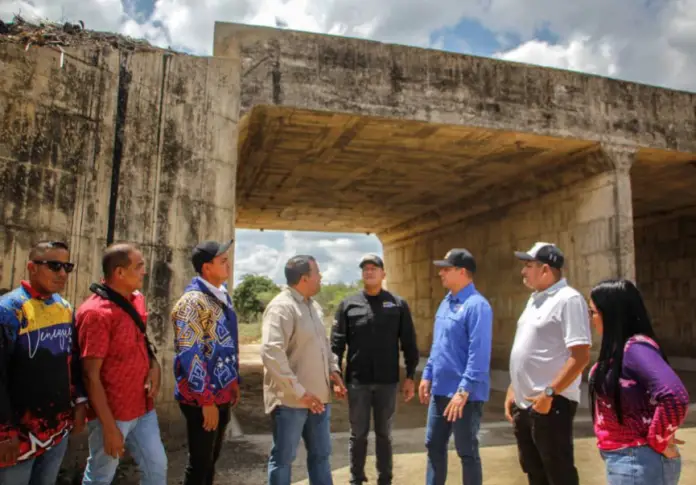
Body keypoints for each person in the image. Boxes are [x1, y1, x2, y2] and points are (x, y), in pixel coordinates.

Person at [76, 243, 167, 485]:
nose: (144, 272)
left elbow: (142, 342)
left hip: (143, 407)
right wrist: (108, 427)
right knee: (100, 476)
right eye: (139, 266)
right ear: (119, 273)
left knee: (157, 469)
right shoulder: (96, 314)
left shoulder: (136, 300)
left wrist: (154, 365)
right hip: (114, 412)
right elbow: (90, 376)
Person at [0, 241, 87, 485]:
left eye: (66, 267)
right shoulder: (9, 310)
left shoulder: (65, 308)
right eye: (54, 266)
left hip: (57, 432)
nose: (62, 274)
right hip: (17, 438)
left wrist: (79, 400)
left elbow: (72, 361)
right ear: (32, 267)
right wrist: (4, 433)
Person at [506, 242, 592, 485]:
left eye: (528, 266)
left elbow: (581, 355)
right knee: (535, 473)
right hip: (526, 405)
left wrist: (549, 393)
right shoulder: (534, 300)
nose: (523, 271)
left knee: (558, 473)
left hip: (552, 404)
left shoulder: (569, 299)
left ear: (545, 269)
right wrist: (514, 388)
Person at [588, 279, 689, 485]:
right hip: (628, 459)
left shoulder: (635, 349)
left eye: (594, 313)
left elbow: (675, 395)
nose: (591, 319)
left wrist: (658, 439)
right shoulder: (620, 350)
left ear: (611, 314)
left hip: (637, 460)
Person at [331, 254, 419, 485]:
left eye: (374, 268)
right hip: (357, 382)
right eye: (365, 269)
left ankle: (385, 478)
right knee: (357, 434)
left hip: (387, 382)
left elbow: (409, 342)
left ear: (383, 274)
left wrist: (410, 376)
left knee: (384, 435)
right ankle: (356, 478)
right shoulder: (348, 305)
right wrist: (336, 376)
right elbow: (336, 344)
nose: (369, 272)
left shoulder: (397, 305)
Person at [261, 255, 347, 485]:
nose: (321, 278)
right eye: (317, 273)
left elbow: (324, 345)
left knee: (321, 457)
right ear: (304, 278)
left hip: (319, 398)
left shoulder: (314, 307)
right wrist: (300, 392)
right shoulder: (281, 308)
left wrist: (334, 372)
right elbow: (272, 353)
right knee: (283, 459)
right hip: (291, 402)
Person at [418, 249, 493, 485]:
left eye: (446, 269)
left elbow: (478, 354)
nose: (441, 273)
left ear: (462, 272)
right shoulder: (446, 303)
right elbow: (438, 344)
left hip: (464, 396)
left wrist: (464, 391)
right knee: (433, 444)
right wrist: (427, 374)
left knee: (466, 450)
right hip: (441, 390)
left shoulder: (477, 306)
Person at [171, 240, 240, 485]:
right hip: (201, 398)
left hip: (220, 394)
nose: (228, 264)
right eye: (222, 261)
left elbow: (228, 345)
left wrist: (233, 381)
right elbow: (190, 354)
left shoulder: (222, 298)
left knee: (210, 462)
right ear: (206, 267)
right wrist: (205, 400)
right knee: (199, 465)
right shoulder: (192, 302)